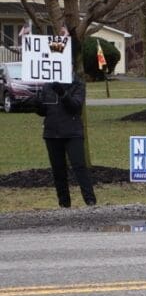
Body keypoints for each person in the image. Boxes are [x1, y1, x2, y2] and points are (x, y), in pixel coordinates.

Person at [35, 75, 96, 208]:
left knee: (79, 166)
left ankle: (90, 200)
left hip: (73, 133)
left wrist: (62, 93)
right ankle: (64, 203)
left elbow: (75, 107)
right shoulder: (47, 85)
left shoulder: (78, 84)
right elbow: (45, 111)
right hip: (52, 133)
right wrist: (37, 104)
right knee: (58, 170)